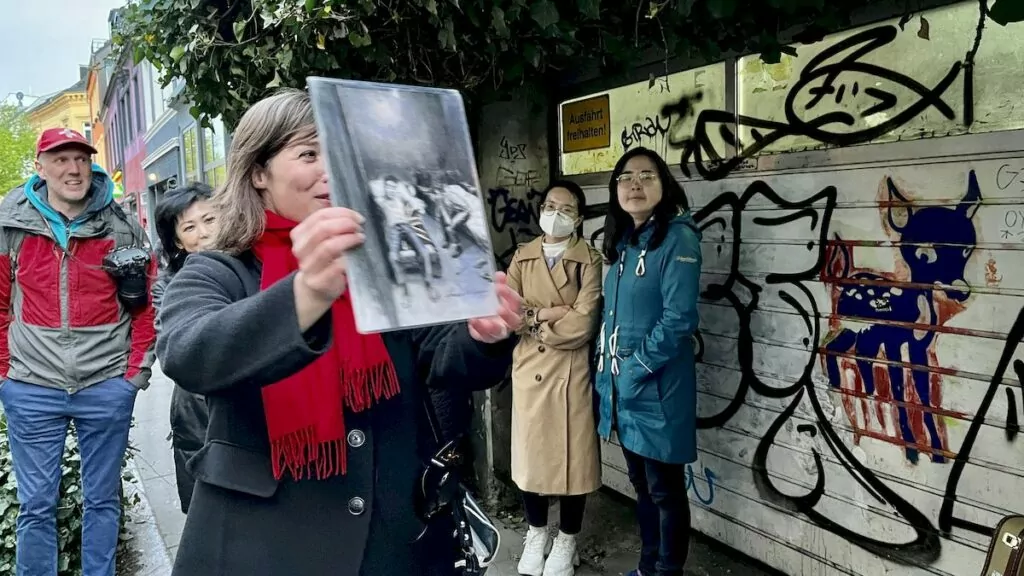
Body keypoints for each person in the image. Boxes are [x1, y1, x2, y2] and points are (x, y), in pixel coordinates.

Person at [155, 88, 522, 576]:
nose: (330, 170)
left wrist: (484, 334)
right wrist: (305, 294)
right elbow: (188, 352)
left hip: (395, 539)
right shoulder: (218, 270)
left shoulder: (390, 258)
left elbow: (442, 355)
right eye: (308, 153)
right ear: (259, 173)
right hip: (261, 544)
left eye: (339, 153)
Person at [0, 127, 157, 576]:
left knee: (103, 501)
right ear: (41, 167)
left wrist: (133, 377)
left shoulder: (121, 225)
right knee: (36, 506)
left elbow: (146, 305)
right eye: (61, 159)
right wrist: (4, 378)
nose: (73, 169)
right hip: (30, 388)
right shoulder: (9, 224)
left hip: (106, 385)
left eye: (81, 159)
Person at [594, 147, 702, 576]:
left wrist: (634, 369)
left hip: (656, 389)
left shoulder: (678, 237)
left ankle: (666, 571)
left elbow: (679, 321)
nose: (634, 184)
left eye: (647, 175)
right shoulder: (624, 242)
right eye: (625, 177)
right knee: (642, 487)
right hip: (623, 390)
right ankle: (646, 567)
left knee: (664, 491)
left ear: (665, 185)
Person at [506, 180, 603, 576]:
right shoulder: (522, 257)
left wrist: (534, 321)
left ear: (578, 218)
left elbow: (583, 322)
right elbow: (508, 313)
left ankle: (567, 540)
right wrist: (546, 313)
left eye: (566, 209)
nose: (556, 214)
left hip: (571, 372)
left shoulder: (590, 260)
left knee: (573, 462)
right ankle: (536, 533)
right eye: (549, 205)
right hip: (530, 370)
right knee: (531, 459)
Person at [152, 182, 218, 514]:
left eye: (210, 219)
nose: (204, 233)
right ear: (178, 241)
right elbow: (178, 351)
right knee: (206, 516)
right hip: (198, 415)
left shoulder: (258, 265)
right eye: (190, 227)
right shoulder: (170, 286)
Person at [372, 174, 440, 300]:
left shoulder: (400, 197)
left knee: (424, 252)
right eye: (388, 187)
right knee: (393, 257)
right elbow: (376, 194)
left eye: (393, 188)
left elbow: (411, 199)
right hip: (394, 230)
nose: (391, 190)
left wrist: (414, 203)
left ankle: (429, 283)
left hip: (407, 227)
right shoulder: (381, 201)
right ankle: (403, 287)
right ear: (385, 188)